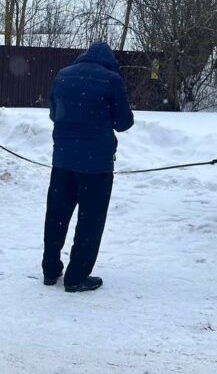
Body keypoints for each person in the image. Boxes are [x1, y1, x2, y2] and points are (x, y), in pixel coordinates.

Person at [42, 42, 134, 293]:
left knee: (56, 216)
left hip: (62, 162)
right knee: (90, 221)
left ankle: (50, 270)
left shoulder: (63, 75)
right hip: (97, 167)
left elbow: (54, 114)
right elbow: (124, 122)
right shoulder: (111, 79)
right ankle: (76, 277)